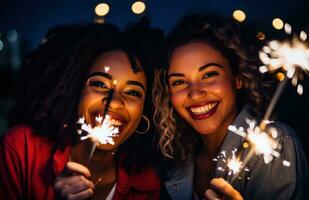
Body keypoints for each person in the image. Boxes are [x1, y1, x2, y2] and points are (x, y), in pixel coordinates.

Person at [0, 21, 163, 200]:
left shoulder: (147, 186)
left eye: (133, 92)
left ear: (143, 113)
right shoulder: (21, 148)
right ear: (75, 92)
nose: (115, 102)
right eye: (100, 84)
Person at [153, 13, 309, 200]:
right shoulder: (176, 160)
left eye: (209, 75)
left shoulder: (274, 143)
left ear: (238, 79)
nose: (195, 93)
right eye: (179, 82)